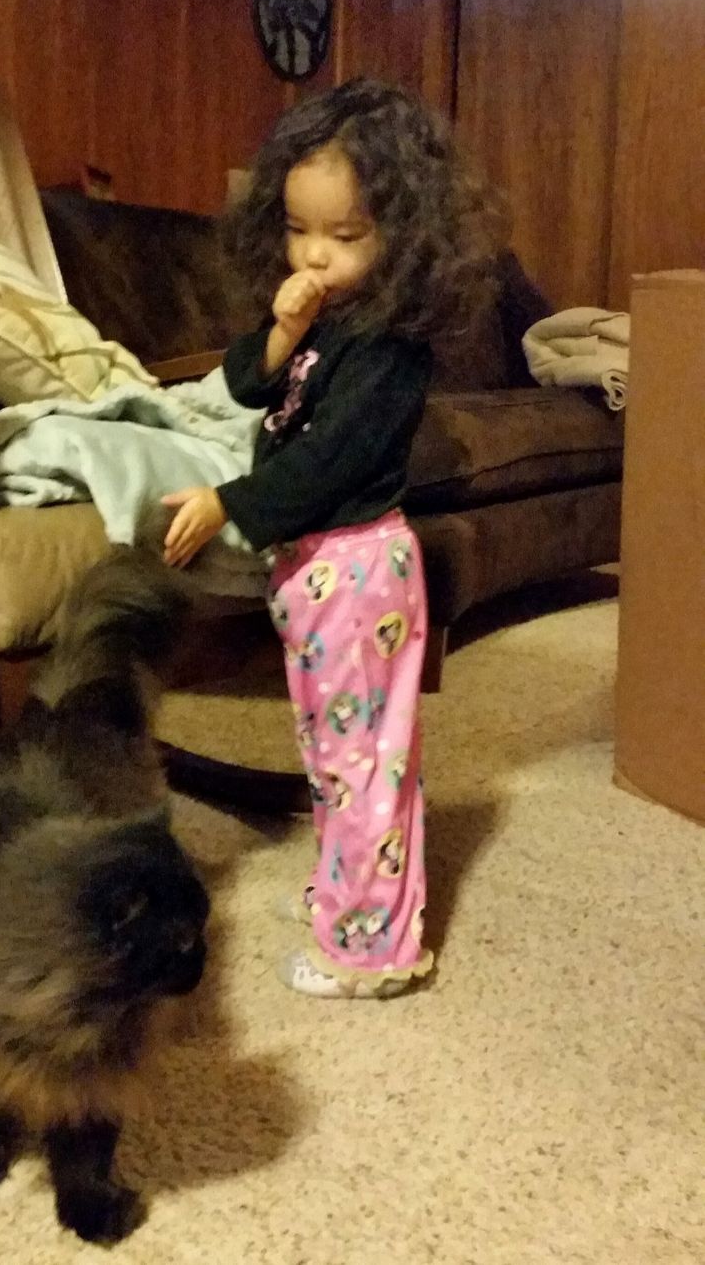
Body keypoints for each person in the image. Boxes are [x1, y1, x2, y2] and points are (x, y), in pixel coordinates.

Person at [162, 79, 501, 997]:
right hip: (315, 572)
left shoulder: (391, 349)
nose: (315, 254)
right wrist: (280, 331)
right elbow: (246, 388)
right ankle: (350, 896)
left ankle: (372, 949)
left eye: (345, 238)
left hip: (356, 569)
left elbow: (329, 462)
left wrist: (230, 502)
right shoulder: (328, 320)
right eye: (298, 229)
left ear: (403, 236)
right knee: (333, 750)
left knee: (361, 760)